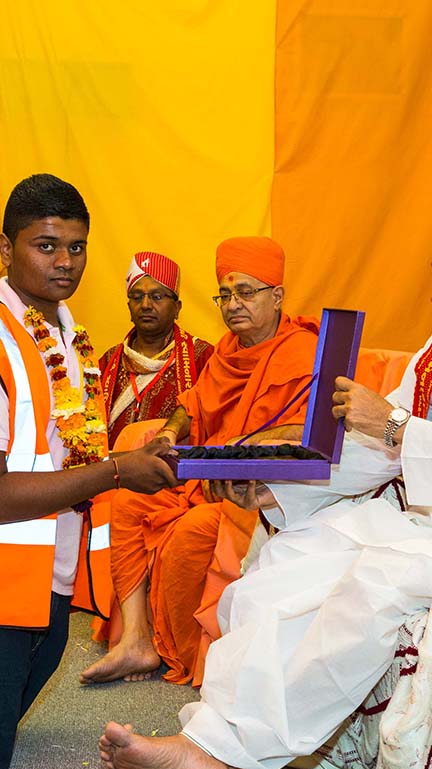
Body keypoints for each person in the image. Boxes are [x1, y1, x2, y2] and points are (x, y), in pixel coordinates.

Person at [99, 206, 432, 769]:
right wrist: (278, 484)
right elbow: (381, 452)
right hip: (425, 516)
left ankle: (219, 762)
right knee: (284, 565)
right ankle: (213, 750)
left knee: (373, 586)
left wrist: (394, 424)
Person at [0, 173, 178, 769]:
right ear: (7, 248)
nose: (65, 262)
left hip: (43, 591)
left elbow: (65, 455)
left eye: (76, 247)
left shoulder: (64, 337)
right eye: (46, 245)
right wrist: (117, 470)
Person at [80, 236, 319, 686]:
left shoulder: (302, 351)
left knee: (191, 533)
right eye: (224, 295)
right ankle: (136, 639)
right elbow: (193, 404)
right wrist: (169, 433)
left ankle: (195, 659)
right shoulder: (228, 350)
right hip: (208, 474)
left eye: (245, 292)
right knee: (129, 500)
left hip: (260, 489)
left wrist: (238, 453)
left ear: (277, 296)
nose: (233, 305)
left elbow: (304, 434)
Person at [99, 251, 214, 447]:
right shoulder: (108, 361)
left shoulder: (203, 357)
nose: (145, 305)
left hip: (175, 466)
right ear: (129, 306)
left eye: (157, 296)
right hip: (114, 465)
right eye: (137, 297)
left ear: (177, 308)